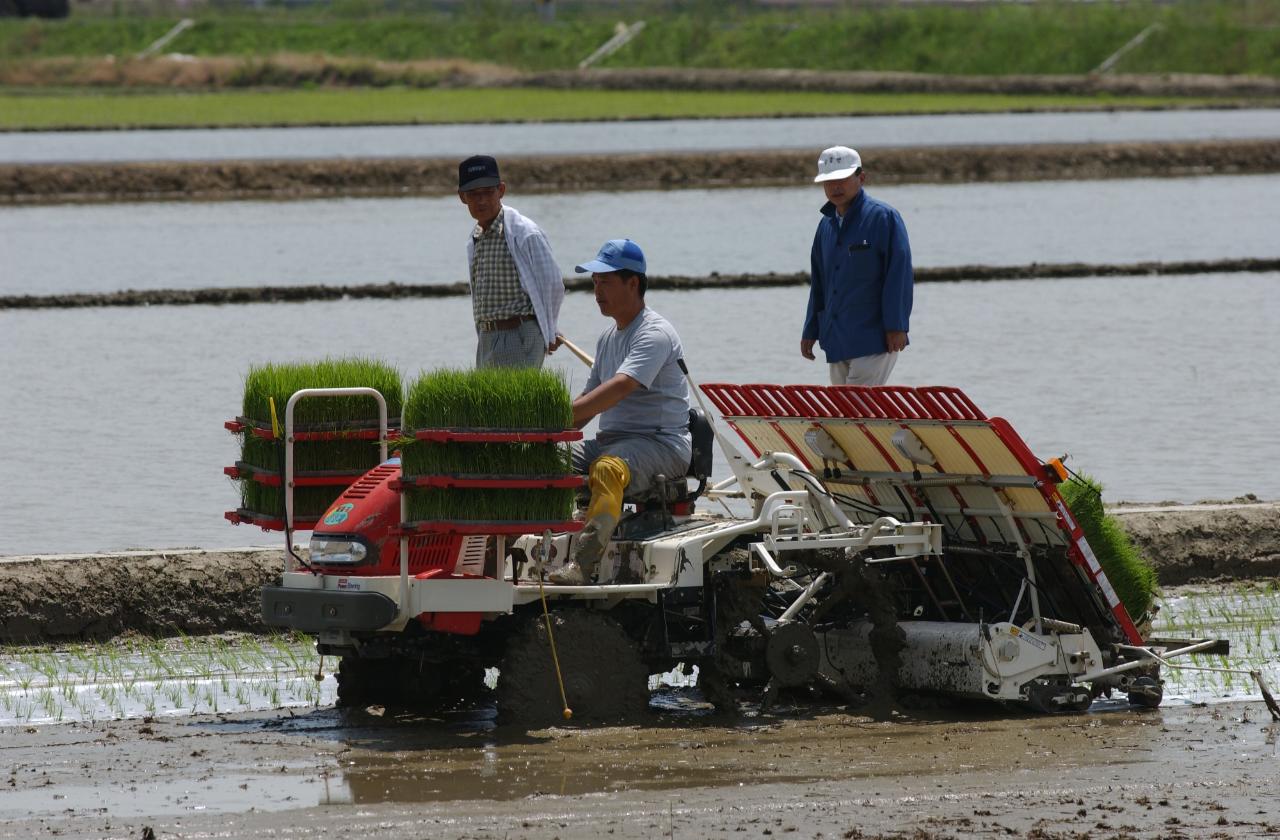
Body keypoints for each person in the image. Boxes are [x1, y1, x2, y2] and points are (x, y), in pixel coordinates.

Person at [548, 239, 691, 586]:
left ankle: (582, 565)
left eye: (606, 281)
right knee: (546, 459)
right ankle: (546, 539)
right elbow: (588, 400)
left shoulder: (654, 334)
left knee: (608, 469)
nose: (597, 290)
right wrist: (542, 432)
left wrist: (557, 417)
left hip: (660, 445)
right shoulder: (607, 338)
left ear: (633, 283)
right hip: (613, 442)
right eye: (595, 282)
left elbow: (617, 389)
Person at [801, 145, 914, 386]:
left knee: (855, 408)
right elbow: (819, 282)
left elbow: (899, 274)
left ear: (861, 178)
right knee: (846, 415)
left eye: (842, 179)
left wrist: (897, 326)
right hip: (836, 337)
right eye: (829, 181)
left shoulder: (884, 218)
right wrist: (811, 330)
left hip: (874, 337)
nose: (835, 187)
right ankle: (890, 425)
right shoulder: (825, 226)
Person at [458, 154, 564, 368]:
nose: (481, 200)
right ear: (462, 197)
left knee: (511, 401)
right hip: (488, 337)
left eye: (488, 192)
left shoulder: (524, 232)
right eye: (473, 194)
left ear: (501, 191)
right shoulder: (477, 237)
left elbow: (553, 284)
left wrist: (549, 329)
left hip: (518, 333)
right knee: (488, 401)